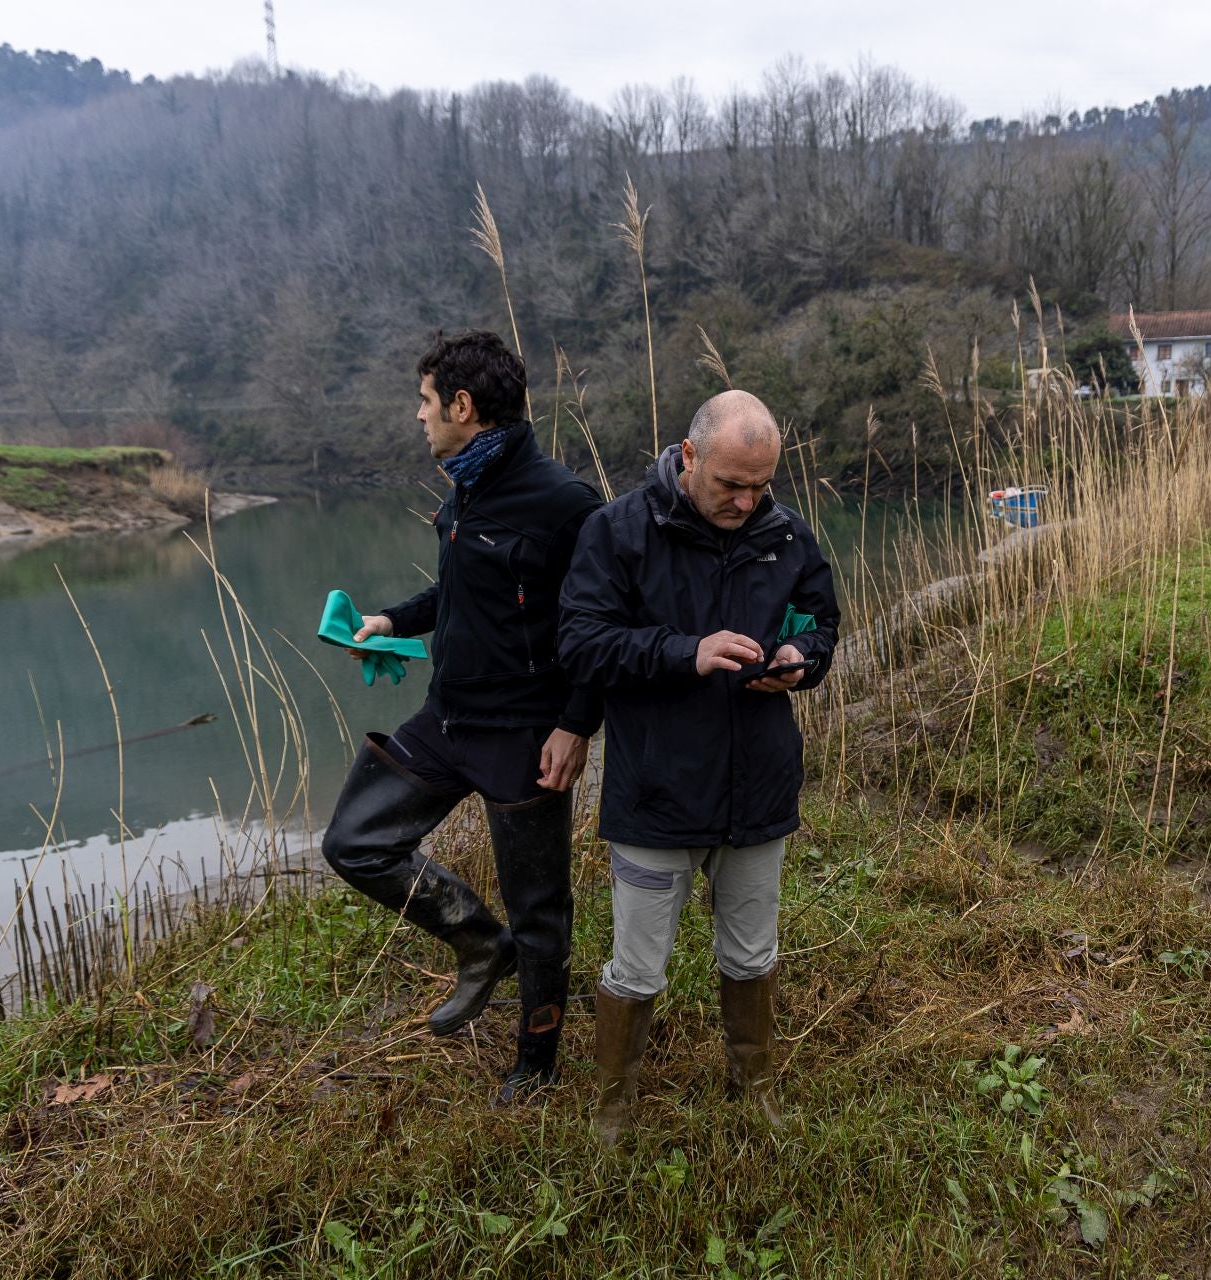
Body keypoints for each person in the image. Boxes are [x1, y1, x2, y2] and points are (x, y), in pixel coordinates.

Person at [321, 329, 601, 1104]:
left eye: (425, 401)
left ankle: (537, 1068)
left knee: (542, 914)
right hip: (447, 721)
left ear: (463, 406)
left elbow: (601, 621)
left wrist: (576, 724)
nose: (419, 416)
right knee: (353, 841)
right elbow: (459, 594)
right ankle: (481, 943)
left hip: (525, 738)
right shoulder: (464, 487)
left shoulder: (565, 504)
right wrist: (391, 619)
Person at [557, 389, 840, 1143]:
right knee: (637, 967)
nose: (746, 502)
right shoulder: (617, 532)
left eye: (760, 485)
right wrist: (687, 652)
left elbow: (817, 620)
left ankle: (755, 1087)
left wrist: (798, 659)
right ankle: (612, 1107)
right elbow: (581, 643)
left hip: (759, 789)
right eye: (729, 485)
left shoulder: (787, 537)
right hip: (655, 789)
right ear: (688, 458)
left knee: (752, 955)